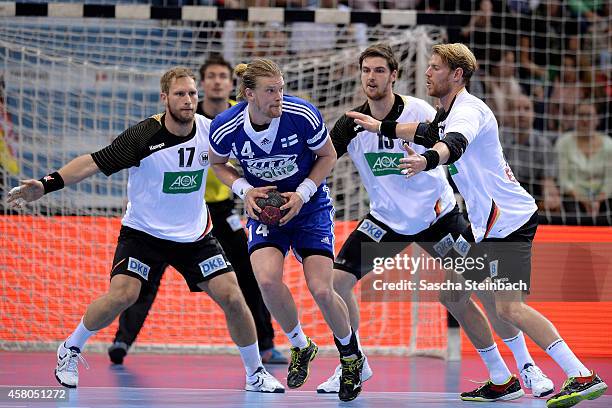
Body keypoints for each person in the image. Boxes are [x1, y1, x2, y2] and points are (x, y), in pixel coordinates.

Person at [348, 43, 607, 407]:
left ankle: (580, 374)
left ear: (457, 75)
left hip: (509, 223)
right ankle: (502, 380)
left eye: (435, 67)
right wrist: (382, 126)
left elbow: (451, 143)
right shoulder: (447, 111)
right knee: (453, 295)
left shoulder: (468, 111)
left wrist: (427, 161)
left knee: (509, 308)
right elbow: (425, 130)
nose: (427, 72)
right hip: (487, 226)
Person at [7, 67, 284, 393]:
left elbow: (245, 149)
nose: (188, 100)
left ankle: (255, 374)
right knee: (123, 296)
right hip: (144, 235)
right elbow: (92, 162)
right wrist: (44, 185)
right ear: (164, 98)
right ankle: (70, 348)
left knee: (233, 297)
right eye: (180, 94)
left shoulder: (211, 131)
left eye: (192, 94)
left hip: (195, 236)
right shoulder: (142, 137)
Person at [316, 43, 553, 399]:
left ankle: (526, 367)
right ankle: (353, 361)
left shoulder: (420, 109)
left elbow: (450, 144)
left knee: (486, 292)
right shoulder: (351, 124)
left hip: (438, 218)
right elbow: (323, 160)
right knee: (335, 284)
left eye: (380, 70)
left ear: (394, 75)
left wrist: (435, 166)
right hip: (386, 221)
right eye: (366, 70)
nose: (372, 77)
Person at [107, 56, 287, 366]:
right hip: (177, 212)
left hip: (222, 208)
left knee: (246, 269)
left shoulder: (242, 114)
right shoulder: (186, 115)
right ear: (200, 86)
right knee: (145, 276)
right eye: (211, 77)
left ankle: (266, 344)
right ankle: (122, 339)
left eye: (223, 76)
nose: (217, 81)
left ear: (233, 84)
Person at [209, 58, 364, 402]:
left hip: (309, 209)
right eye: (270, 91)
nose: (279, 96)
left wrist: (303, 192)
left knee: (322, 289)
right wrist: (245, 191)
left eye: (281, 88)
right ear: (249, 94)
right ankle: (300, 344)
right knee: (265, 280)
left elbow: (328, 155)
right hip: (266, 215)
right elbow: (219, 164)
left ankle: (351, 357)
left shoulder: (302, 114)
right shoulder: (225, 126)